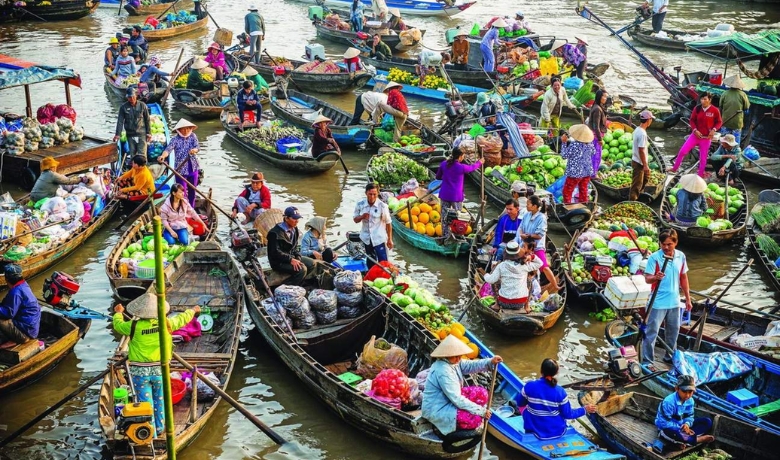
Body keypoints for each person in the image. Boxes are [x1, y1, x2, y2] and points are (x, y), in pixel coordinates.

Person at [113, 294, 200, 438]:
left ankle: (150, 433)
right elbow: (183, 318)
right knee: (160, 399)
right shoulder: (166, 323)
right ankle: (159, 428)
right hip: (160, 370)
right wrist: (193, 310)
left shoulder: (133, 325)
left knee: (145, 403)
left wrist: (118, 313)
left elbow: (118, 325)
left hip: (139, 372)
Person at [421, 334, 502, 437]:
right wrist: (481, 411)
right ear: (446, 355)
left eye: (459, 355)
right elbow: (457, 399)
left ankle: (471, 410)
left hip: (449, 398)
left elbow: (470, 365)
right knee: (475, 420)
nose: (459, 358)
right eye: (456, 356)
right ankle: (448, 427)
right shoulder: (443, 371)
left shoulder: (453, 362)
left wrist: (490, 361)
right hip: (438, 407)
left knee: (482, 393)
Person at [642, 229, 692, 367]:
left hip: (674, 301)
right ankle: (647, 361)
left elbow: (683, 277)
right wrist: (655, 277)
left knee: (673, 331)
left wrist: (688, 299)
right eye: (663, 244)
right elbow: (647, 279)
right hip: (657, 302)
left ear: (675, 243)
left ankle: (670, 356)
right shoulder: (655, 258)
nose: (665, 247)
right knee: (651, 333)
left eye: (669, 244)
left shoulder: (681, 256)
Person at [515, 359, 598, 439]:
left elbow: (520, 403)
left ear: (541, 370)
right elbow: (568, 414)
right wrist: (585, 409)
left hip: (534, 431)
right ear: (556, 373)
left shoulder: (529, 386)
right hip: (557, 432)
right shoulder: (560, 392)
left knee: (524, 407)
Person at [670, 93, 722, 178]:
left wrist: (714, 130)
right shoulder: (697, 108)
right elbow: (692, 121)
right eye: (702, 99)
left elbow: (719, 122)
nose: (703, 101)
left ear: (710, 100)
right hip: (695, 135)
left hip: (706, 138)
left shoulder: (715, 110)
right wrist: (695, 130)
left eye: (705, 99)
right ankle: (674, 168)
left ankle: (700, 174)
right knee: (682, 151)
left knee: (703, 157)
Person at [656, 375, 715, 446]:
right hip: (668, 428)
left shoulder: (690, 401)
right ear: (677, 389)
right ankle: (696, 439)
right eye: (684, 392)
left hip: (682, 426)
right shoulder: (669, 402)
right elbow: (663, 423)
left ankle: (686, 440)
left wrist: (687, 424)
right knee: (672, 432)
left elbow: (690, 416)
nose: (687, 395)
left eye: (690, 392)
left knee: (707, 422)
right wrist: (681, 429)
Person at [483, 241, 542, 312]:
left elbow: (491, 280)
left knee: (496, 281)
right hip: (520, 303)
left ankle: (497, 305)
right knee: (529, 281)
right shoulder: (525, 265)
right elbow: (540, 263)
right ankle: (526, 306)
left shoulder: (501, 265)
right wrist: (532, 256)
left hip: (504, 302)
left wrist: (486, 275)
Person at [517, 195, 559, 292]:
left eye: (528, 204)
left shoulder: (542, 218)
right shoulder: (527, 215)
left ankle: (555, 285)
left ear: (535, 206)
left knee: (544, 266)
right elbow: (521, 227)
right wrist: (522, 235)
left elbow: (539, 235)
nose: (526, 206)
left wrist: (528, 236)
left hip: (537, 246)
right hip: (525, 244)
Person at [436, 147, 481, 236]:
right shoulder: (461, 167)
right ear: (460, 156)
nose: (463, 157)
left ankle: (445, 235)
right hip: (456, 196)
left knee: (444, 216)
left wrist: (446, 177)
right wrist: (480, 162)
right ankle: (458, 234)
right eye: (463, 156)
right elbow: (472, 168)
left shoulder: (444, 164)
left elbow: (438, 177)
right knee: (459, 216)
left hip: (445, 194)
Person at [267, 206, 318, 285]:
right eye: (294, 219)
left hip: (290, 257)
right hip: (278, 261)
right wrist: (290, 260)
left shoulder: (295, 229)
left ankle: (299, 282)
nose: (297, 221)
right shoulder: (274, 233)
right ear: (286, 218)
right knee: (302, 269)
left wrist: (297, 257)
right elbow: (274, 253)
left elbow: (295, 247)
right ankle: (285, 288)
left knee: (312, 264)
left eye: (298, 219)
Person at [158, 119, 201, 207]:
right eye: (183, 129)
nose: (186, 131)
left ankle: (191, 209)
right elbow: (168, 149)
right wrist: (163, 156)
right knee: (181, 193)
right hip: (181, 169)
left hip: (193, 167)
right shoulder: (175, 139)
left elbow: (197, 147)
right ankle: (183, 210)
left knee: (193, 190)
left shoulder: (193, 136)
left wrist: (194, 150)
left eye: (188, 129)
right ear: (179, 130)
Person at [353, 182, 393, 268]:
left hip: (379, 239)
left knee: (383, 263)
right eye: (370, 194)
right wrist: (362, 216)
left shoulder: (382, 206)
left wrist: (390, 239)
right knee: (370, 261)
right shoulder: (360, 204)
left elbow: (388, 223)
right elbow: (355, 220)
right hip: (366, 238)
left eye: (374, 194)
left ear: (378, 193)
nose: (372, 197)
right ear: (366, 193)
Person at [0, 264, 40, 346]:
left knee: (1, 320)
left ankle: (19, 338)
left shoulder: (16, 292)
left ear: (6, 279)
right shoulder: (23, 285)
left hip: (26, 331)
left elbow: (8, 314)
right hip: (30, 327)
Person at [560, 124, 595, 204]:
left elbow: (564, 155)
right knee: (583, 190)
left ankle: (568, 207)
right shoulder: (590, 144)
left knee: (567, 191)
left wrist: (564, 143)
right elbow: (593, 152)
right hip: (587, 172)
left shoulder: (574, 144)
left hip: (575, 173)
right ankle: (584, 205)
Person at [114, 87, 151, 157]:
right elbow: (120, 121)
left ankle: (143, 167)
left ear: (136, 96)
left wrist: (149, 133)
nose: (131, 99)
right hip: (130, 134)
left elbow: (147, 120)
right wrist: (117, 134)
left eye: (133, 97)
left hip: (141, 133)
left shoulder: (142, 105)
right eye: (129, 97)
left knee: (142, 154)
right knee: (133, 154)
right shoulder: (123, 107)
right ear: (127, 97)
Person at [630, 109, 655, 201]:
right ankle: (632, 201)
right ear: (648, 120)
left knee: (645, 178)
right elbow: (641, 150)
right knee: (636, 185)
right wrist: (645, 165)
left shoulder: (637, 129)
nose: (651, 121)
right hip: (639, 162)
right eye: (651, 119)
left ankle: (638, 196)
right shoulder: (642, 134)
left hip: (636, 159)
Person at [719, 74, 750, 145]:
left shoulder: (724, 94)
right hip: (737, 123)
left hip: (726, 120)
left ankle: (723, 153)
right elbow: (746, 108)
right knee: (735, 142)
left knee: (724, 141)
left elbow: (720, 106)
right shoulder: (743, 95)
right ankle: (735, 154)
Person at [588, 89, 609, 177]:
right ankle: (592, 175)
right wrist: (600, 139)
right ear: (599, 97)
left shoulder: (598, 107)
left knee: (594, 155)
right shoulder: (597, 109)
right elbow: (596, 126)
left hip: (595, 135)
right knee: (596, 157)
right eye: (604, 96)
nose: (605, 98)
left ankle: (592, 173)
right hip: (595, 136)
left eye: (606, 97)